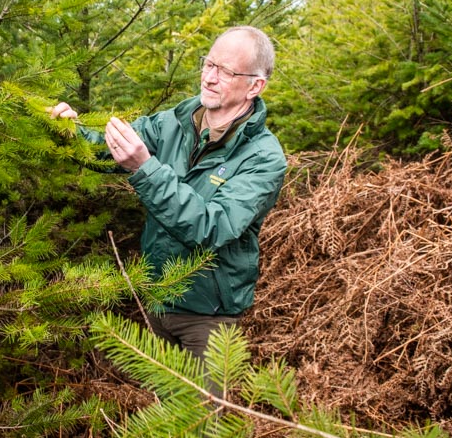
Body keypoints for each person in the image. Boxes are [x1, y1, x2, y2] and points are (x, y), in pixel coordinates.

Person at [50, 26, 287, 366]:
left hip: (209, 317)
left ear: (254, 86)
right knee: (162, 409)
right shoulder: (173, 122)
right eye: (208, 64)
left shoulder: (263, 158)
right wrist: (68, 133)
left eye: (226, 71)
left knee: (201, 418)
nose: (209, 77)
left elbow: (212, 227)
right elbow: (108, 149)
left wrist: (144, 168)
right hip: (158, 297)